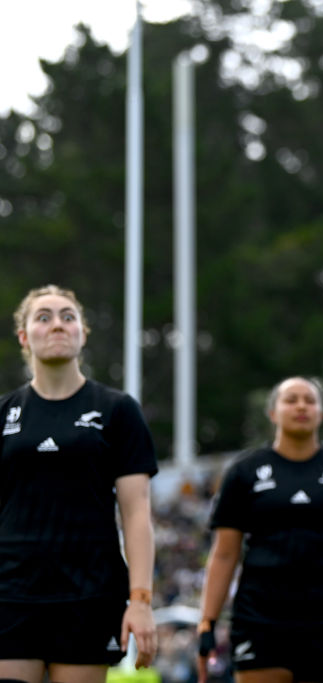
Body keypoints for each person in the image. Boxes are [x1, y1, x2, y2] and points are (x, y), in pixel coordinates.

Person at [0, 284, 158, 681]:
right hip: (10, 593)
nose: (58, 325)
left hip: (88, 593)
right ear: (24, 336)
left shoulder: (117, 410)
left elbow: (137, 512)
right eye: (44, 317)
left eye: (68, 317)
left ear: (83, 333)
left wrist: (140, 600)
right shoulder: (4, 413)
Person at [195, 376, 323, 683]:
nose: (301, 406)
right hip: (260, 618)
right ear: (273, 413)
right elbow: (224, 554)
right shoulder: (244, 472)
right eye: (291, 400)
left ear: (321, 414)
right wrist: (207, 622)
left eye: (310, 400)